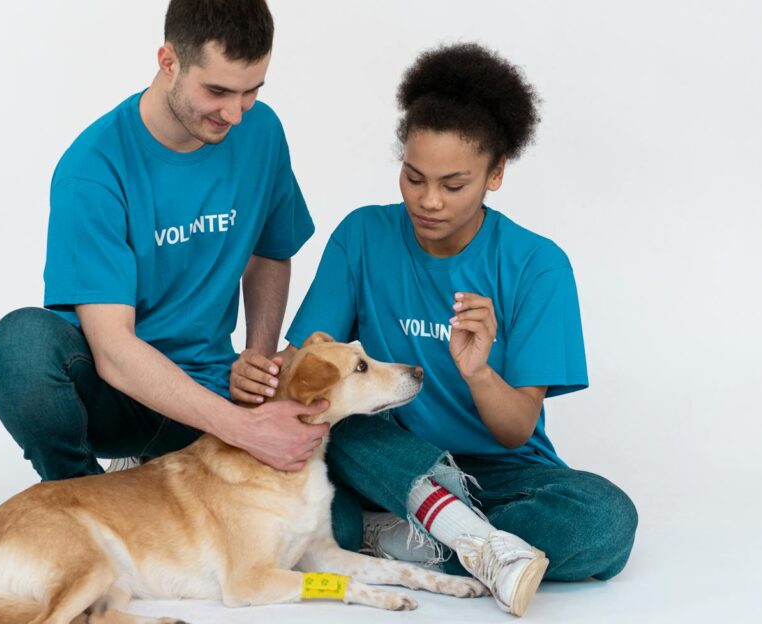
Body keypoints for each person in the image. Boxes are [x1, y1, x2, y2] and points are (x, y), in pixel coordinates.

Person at [230, 43, 638, 616]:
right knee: (335, 439)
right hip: (381, 457)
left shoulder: (536, 265)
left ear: (495, 175)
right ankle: (481, 546)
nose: (428, 201)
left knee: (605, 521)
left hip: (499, 474)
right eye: (414, 176)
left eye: (453, 185)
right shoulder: (363, 237)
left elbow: (516, 431)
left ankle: (422, 538)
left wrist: (477, 372)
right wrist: (256, 371)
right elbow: (305, 382)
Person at [0, 0, 331, 492]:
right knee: (20, 345)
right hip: (117, 394)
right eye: (217, 91)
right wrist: (245, 430)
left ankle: (157, 471)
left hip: (211, 390)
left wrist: (259, 363)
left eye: (251, 90)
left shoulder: (263, 132)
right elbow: (115, 351)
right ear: (169, 62)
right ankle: (84, 500)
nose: (234, 113)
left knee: (337, 511)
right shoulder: (93, 170)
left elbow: (272, 249)